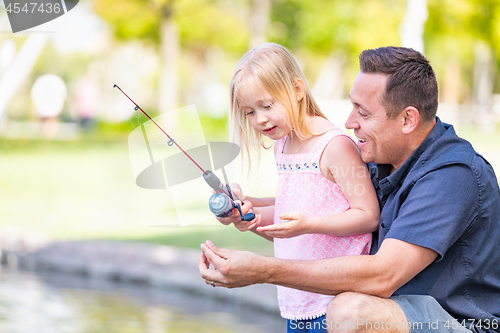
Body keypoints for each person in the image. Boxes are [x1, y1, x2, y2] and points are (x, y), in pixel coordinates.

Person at [199, 46, 500, 333]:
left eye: (363, 112)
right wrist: (246, 206)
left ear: (408, 119)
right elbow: (311, 202)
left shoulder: (452, 178)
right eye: (352, 105)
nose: (348, 122)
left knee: (350, 312)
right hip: (398, 309)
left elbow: (384, 274)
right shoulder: (383, 156)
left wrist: (264, 270)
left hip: (457, 322)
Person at [214, 43, 380, 332]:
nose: (260, 119)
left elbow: (368, 215)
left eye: (267, 105)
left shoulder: (335, 146)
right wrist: (246, 212)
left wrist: (310, 225)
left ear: (298, 90)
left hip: (338, 304)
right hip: (298, 300)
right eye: (249, 111)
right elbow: (291, 213)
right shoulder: (284, 144)